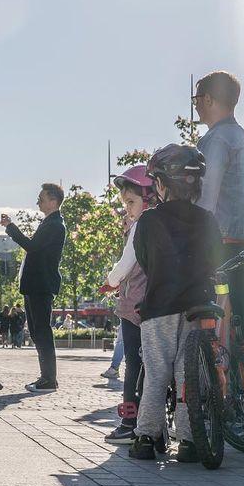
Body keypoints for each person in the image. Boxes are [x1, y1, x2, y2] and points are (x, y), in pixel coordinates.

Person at [128, 144, 222, 462]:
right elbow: (215, 259)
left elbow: (144, 261)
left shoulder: (149, 221)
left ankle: (144, 437)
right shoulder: (208, 220)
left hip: (160, 305)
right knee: (188, 374)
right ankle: (189, 440)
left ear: (162, 184)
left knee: (157, 373)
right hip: (198, 304)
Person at [193, 71, 244, 367]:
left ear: (209, 99)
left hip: (221, 241)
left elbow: (206, 199)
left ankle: (219, 389)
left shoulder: (216, 140)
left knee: (213, 315)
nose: (196, 105)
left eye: (197, 99)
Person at [98, 165, 156, 443]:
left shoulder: (141, 226)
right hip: (162, 304)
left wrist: (110, 281)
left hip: (135, 307)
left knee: (133, 361)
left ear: (148, 198)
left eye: (131, 202)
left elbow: (125, 264)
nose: (128, 209)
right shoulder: (163, 221)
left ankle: (129, 421)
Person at [1, 184, 67, 392]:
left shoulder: (55, 225)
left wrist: (11, 227)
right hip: (35, 285)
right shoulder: (49, 223)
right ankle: (46, 377)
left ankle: (49, 380)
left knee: (42, 331)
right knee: (38, 332)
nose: (38, 201)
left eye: (41, 198)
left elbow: (32, 246)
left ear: (53, 201)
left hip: (41, 285)